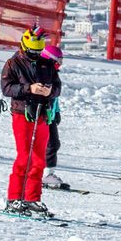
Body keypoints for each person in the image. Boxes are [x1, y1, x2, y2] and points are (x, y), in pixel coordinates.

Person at [0, 26, 62, 215]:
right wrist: (29, 89)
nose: (35, 55)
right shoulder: (13, 63)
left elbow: (58, 86)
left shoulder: (46, 64)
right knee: (24, 156)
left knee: (38, 158)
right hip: (22, 113)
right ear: (24, 47)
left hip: (42, 113)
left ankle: (32, 198)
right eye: (32, 52)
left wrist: (50, 91)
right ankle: (14, 198)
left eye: (38, 52)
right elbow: (7, 88)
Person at [40, 41, 69, 190]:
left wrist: (57, 112)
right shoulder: (43, 72)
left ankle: (46, 173)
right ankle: (45, 174)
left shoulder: (53, 73)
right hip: (42, 115)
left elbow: (54, 98)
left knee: (53, 144)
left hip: (50, 114)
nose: (60, 64)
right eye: (59, 60)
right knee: (49, 144)